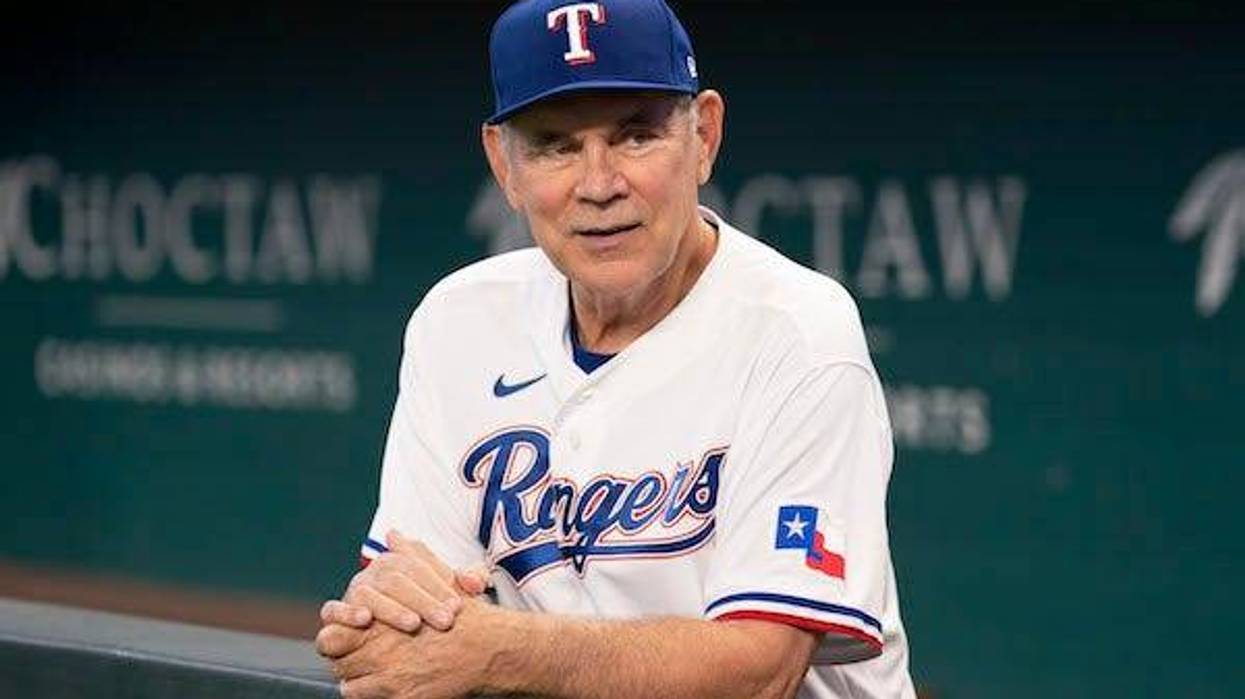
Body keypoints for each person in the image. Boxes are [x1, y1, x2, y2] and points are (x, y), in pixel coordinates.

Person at [315, 1, 915, 697]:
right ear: (502, 165)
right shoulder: (458, 321)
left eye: (634, 136)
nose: (598, 185)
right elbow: (408, 612)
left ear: (704, 137)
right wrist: (389, 607)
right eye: (554, 145)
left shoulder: (798, 332)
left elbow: (759, 667)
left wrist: (498, 649)